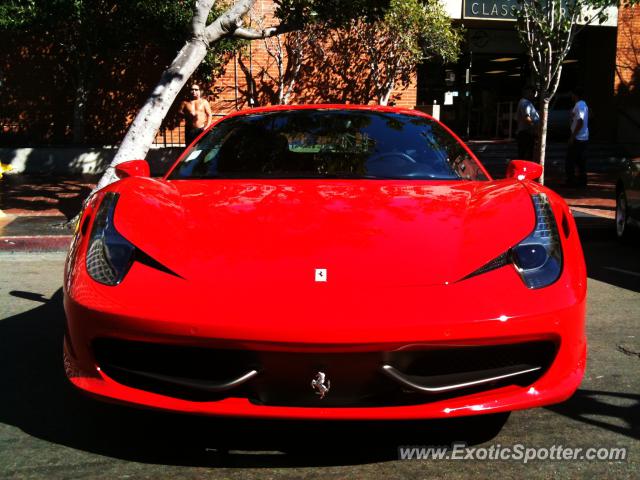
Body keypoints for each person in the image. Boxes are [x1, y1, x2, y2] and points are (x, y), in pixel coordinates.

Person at [565, 87, 589, 187]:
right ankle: (581, 182)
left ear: (575, 95)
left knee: (570, 160)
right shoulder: (583, 105)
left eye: (572, 94)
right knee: (580, 160)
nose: (571, 96)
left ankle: (571, 181)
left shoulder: (579, 105)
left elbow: (580, 121)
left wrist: (572, 136)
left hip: (578, 138)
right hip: (583, 137)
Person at [516, 86, 540, 161]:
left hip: (528, 133)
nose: (534, 95)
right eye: (533, 93)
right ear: (528, 92)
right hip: (526, 133)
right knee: (526, 154)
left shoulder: (527, 102)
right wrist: (534, 128)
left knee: (527, 154)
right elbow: (526, 117)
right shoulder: (525, 103)